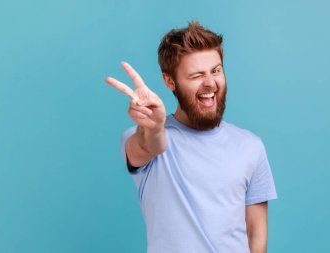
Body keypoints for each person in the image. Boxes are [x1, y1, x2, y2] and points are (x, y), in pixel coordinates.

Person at [105, 21, 278, 253]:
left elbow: (256, 232)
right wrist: (154, 127)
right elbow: (149, 145)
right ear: (169, 81)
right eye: (196, 75)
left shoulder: (251, 146)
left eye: (216, 71)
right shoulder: (148, 137)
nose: (210, 83)